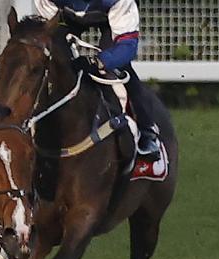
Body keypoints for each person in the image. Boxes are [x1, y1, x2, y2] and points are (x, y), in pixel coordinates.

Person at [34, 0, 161, 161]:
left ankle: (147, 130)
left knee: (120, 66)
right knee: (52, 60)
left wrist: (100, 62)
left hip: (109, 17)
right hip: (64, 16)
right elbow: (44, 34)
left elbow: (127, 46)